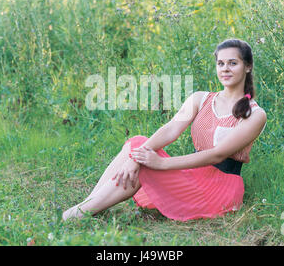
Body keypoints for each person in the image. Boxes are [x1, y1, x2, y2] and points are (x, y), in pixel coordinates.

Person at [62, 38, 267, 222]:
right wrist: (135, 157)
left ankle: (78, 214)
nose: (225, 69)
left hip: (219, 188)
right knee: (138, 143)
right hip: (193, 175)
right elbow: (171, 129)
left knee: (147, 161)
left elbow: (217, 154)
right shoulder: (200, 99)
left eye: (233, 63)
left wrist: (161, 163)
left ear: (247, 67)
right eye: (220, 63)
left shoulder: (255, 114)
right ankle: (88, 206)